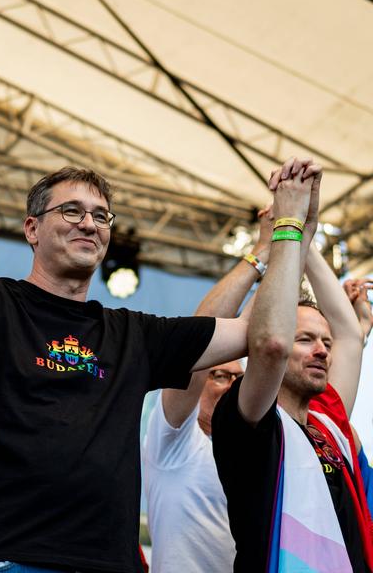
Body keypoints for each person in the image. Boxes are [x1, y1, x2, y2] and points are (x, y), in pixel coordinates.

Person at [0, 88, 251, 573]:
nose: (90, 224)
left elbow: (255, 333)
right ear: (32, 228)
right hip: (0, 560)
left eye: (101, 216)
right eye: (73, 211)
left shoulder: (132, 334)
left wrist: (287, 237)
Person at [212, 158, 373, 571]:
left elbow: (350, 337)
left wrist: (310, 232)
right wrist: (288, 223)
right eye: (306, 340)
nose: (322, 350)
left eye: (323, 342)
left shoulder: (327, 427)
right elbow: (270, 342)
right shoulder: (250, 420)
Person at [141, 206, 273, 573]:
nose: (230, 385)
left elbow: (261, 328)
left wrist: (288, 245)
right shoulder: (175, 441)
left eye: (236, 378)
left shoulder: (256, 453)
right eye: (218, 375)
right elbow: (200, 332)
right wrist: (262, 253)